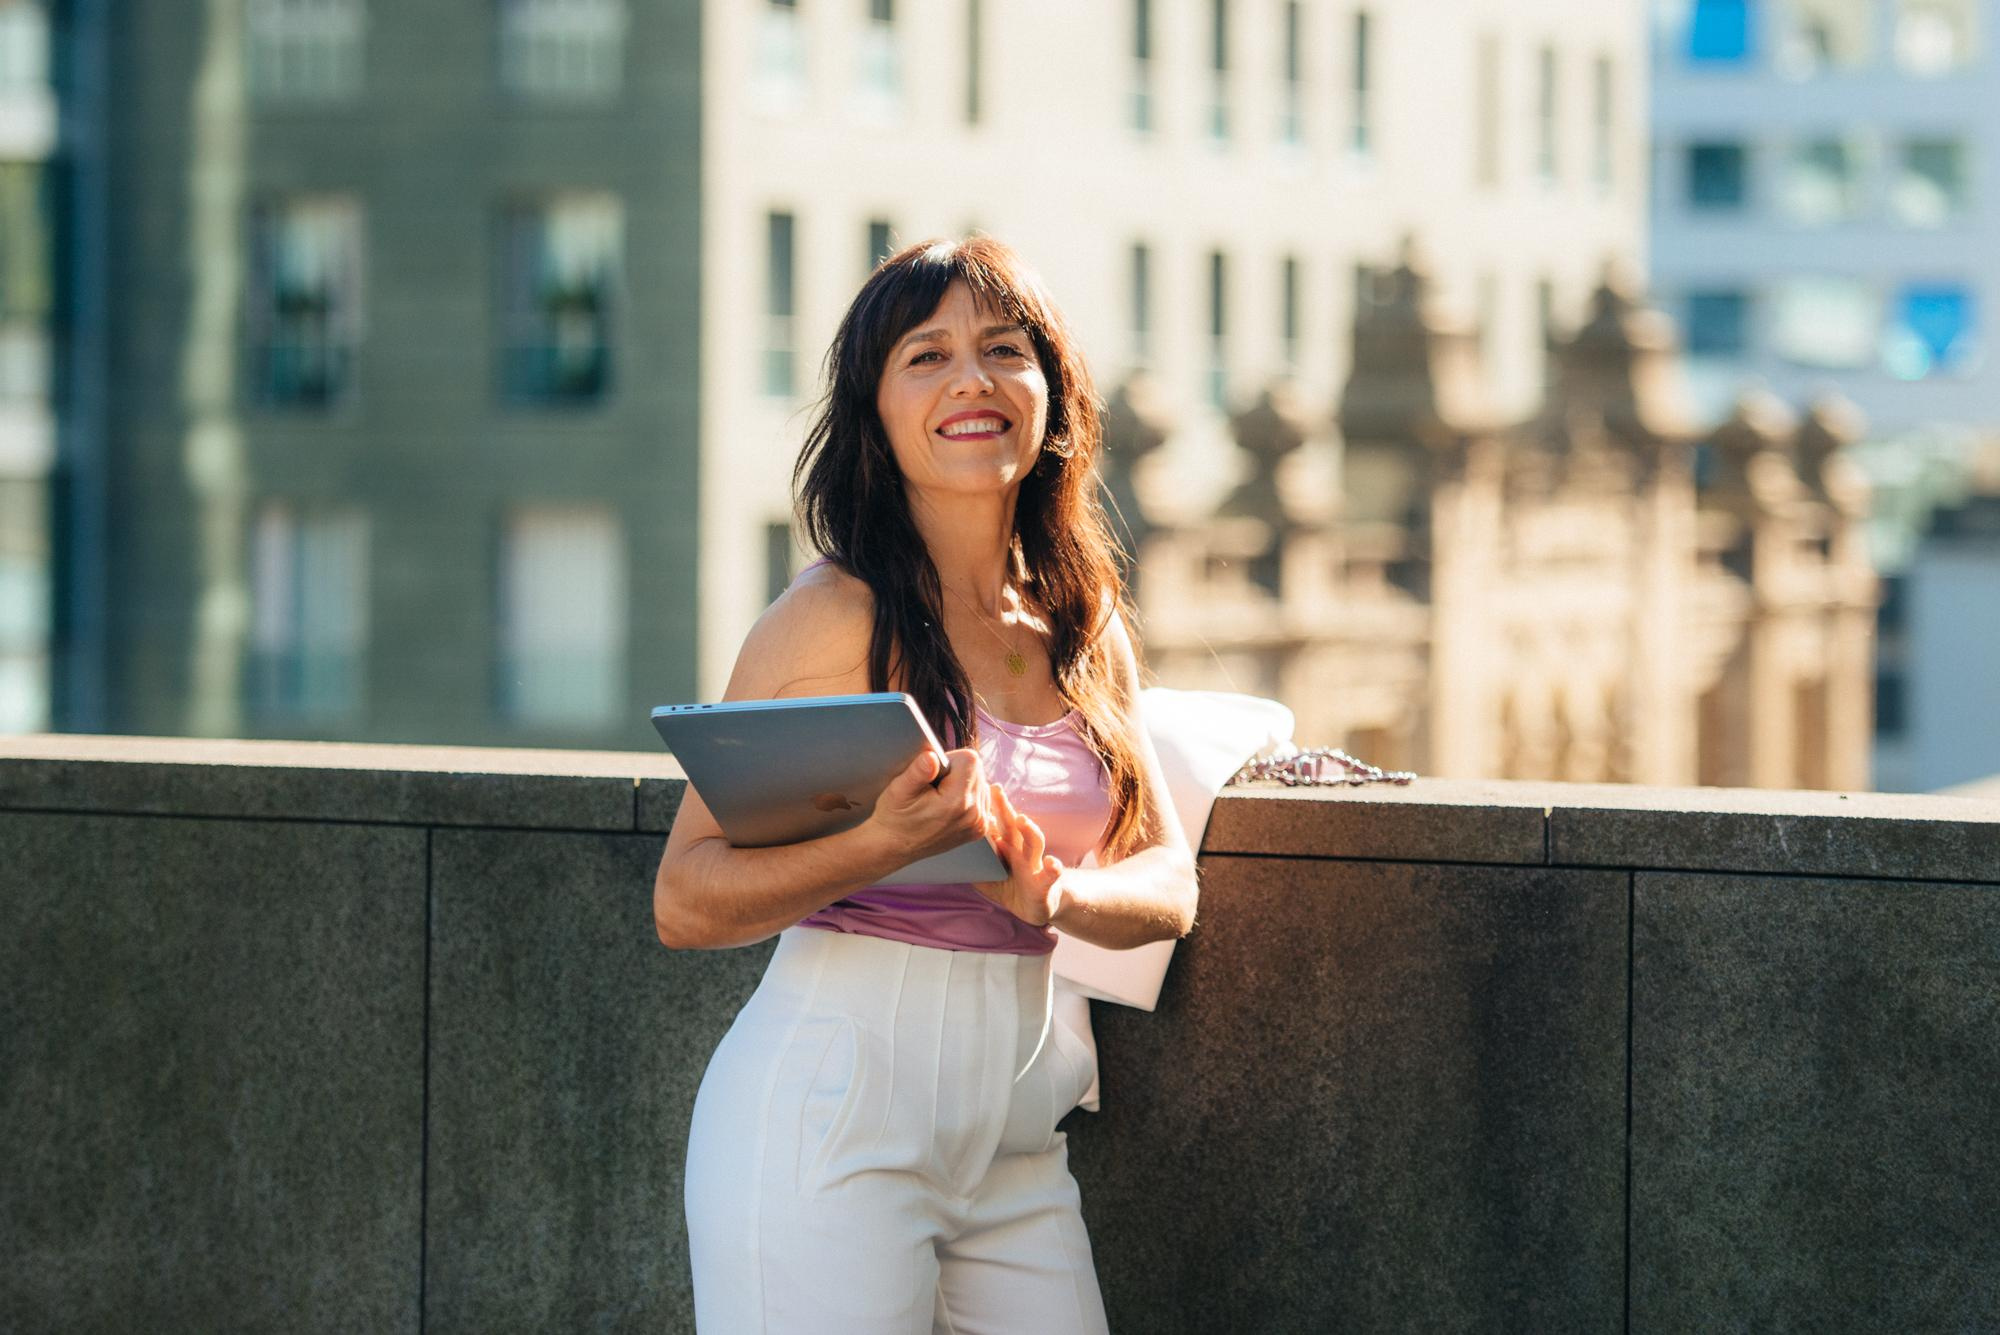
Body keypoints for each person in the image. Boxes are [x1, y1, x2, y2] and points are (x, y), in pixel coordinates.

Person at [654, 236, 1198, 1334]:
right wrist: (883, 843)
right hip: (827, 1120)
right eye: (926, 354)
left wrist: (1053, 897)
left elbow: (1169, 883)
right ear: (874, 409)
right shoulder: (828, 617)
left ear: (1051, 392)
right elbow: (685, 899)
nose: (971, 380)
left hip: (1014, 1146)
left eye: (1004, 350)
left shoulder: (1082, 624)